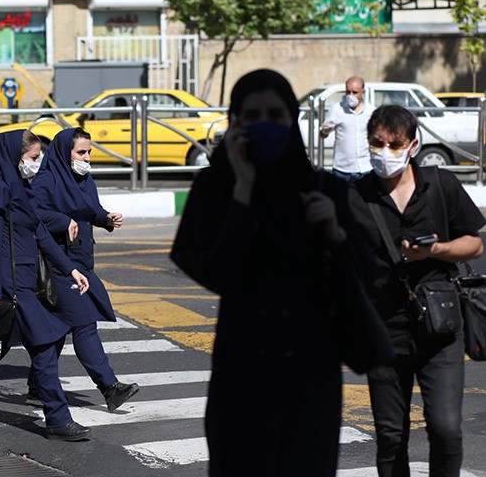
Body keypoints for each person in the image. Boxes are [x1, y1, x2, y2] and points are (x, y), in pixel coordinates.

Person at [169, 68, 364, 476]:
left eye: (275, 115)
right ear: (234, 123)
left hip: (310, 375)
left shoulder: (325, 190)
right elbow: (217, 273)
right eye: (252, 116)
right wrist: (242, 194)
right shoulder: (214, 189)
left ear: (292, 119)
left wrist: (334, 234)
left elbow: (365, 275)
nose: (265, 125)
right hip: (242, 374)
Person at [348, 105, 484, 476]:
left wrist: (436, 250)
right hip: (383, 330)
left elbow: (474, 244)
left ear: (413, 145)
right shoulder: (354, 195)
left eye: (395, 145)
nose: (385, 152)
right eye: (377, 143)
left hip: (440, 327)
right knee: (391, 436)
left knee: (446, 429)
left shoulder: (440, 185)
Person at [0, 129, 92, 442]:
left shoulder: (21, 187)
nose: (37, 164)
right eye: (33, 157)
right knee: (44, 346)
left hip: (26, 281)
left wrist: (71, 270)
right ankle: (58, 419)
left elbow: (41, 235)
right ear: (16, 157)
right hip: (10, 285)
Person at [30, 127, 139, 411]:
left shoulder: (83, 179)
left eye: (89, 152)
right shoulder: (47, 179)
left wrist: (107, 218)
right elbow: (32, 213)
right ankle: (110, 387)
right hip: (58, 264)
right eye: (80, 152)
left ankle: (38, 382)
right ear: (64, 153)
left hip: (81, 263)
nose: (87, 158)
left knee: (58, 327)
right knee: (84, 323)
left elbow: (91, 209)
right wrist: (62, 221)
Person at [320, 75, 375, 181]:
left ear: (362, 93)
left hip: (365, 167)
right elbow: (323, 134)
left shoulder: (371, 111)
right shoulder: (337, 109)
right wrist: (325, 130)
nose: (351, 96)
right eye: (348, 92)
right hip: (342, 168)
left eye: (354, 92)